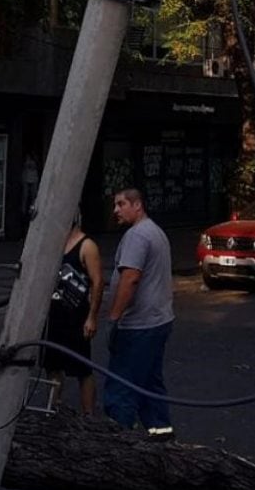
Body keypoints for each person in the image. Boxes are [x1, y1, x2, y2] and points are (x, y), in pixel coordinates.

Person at [103, 186, 174, 438]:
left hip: (138, 325)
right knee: (149, 384)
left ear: (137, 205)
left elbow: (130, 278)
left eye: (121, 204)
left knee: (121, 387)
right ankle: (162, 437)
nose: (116, 210)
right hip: (158, 321)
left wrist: (114, 317)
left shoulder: (137, 236)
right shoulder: (155, 232)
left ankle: (118, 443)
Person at [43, 214, 104, 414]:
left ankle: (89, 415)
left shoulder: (87, 246)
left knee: (82, 368)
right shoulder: (56, 243)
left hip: (76, 316)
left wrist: (92, 317)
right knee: (53, 365)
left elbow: (97, 282)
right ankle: (53, 408)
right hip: (54, 315)